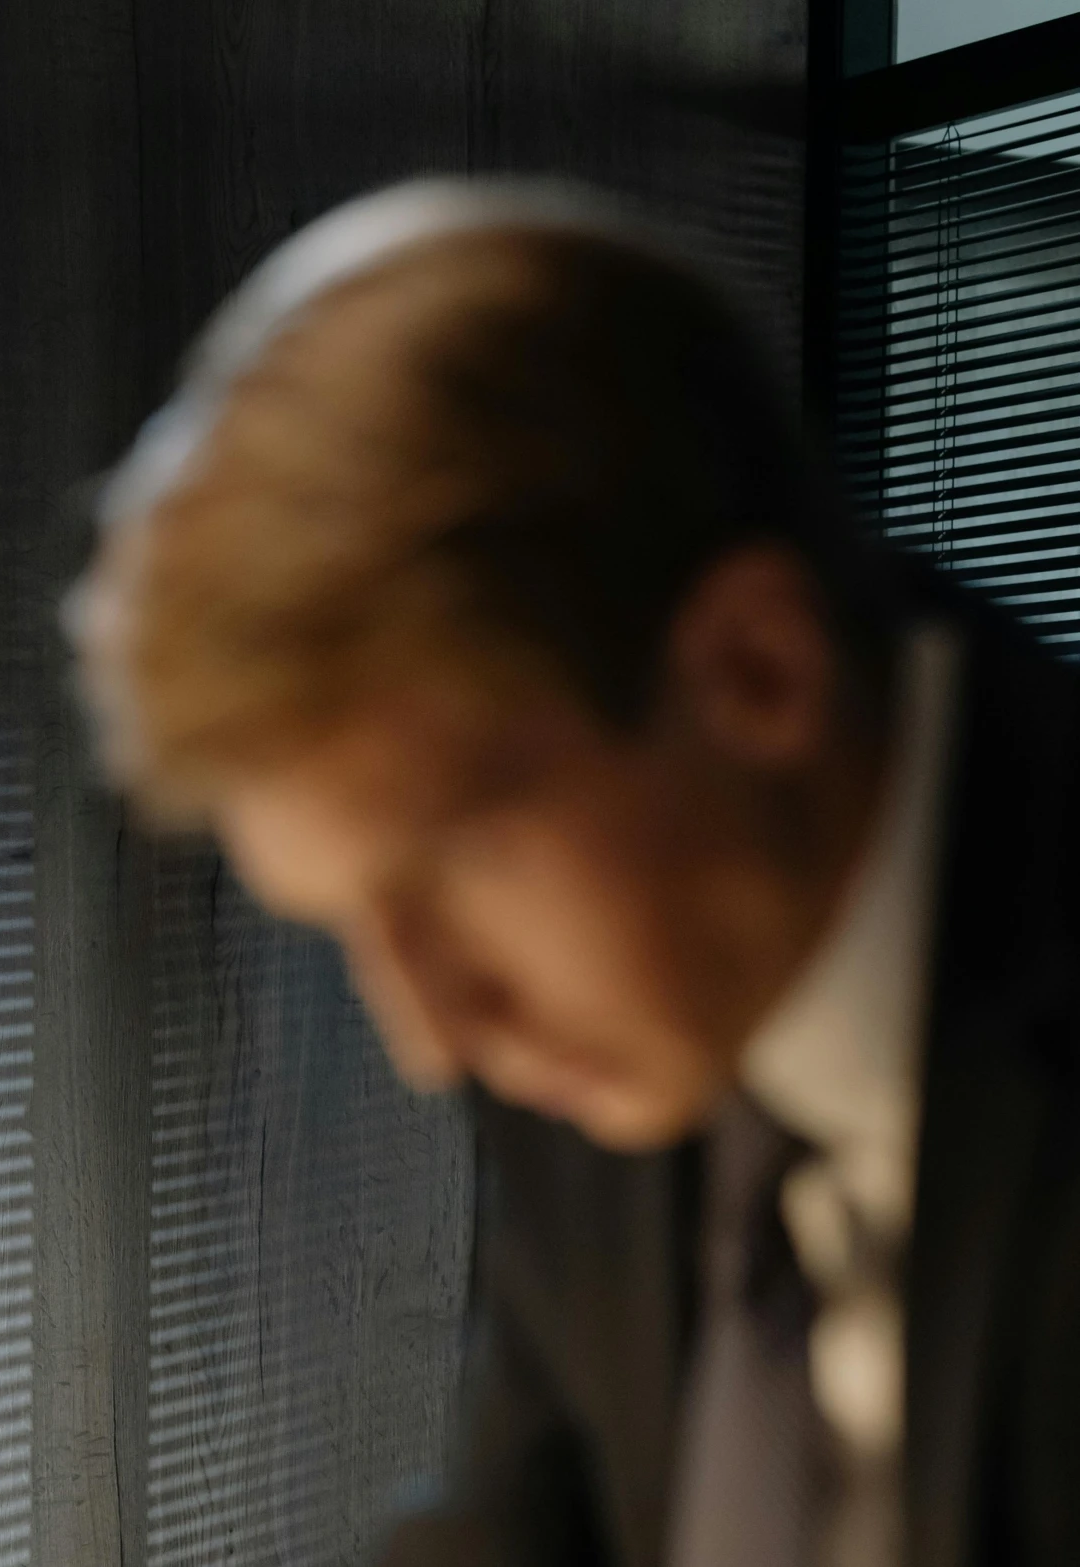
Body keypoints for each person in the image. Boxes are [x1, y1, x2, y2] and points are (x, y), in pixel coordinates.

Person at [66, 178, 1080, 1567]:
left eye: (449, 870)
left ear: (754, 674)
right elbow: (535, 1521)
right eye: (348, 922)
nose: (429, 1034)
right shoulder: (608, 1025)